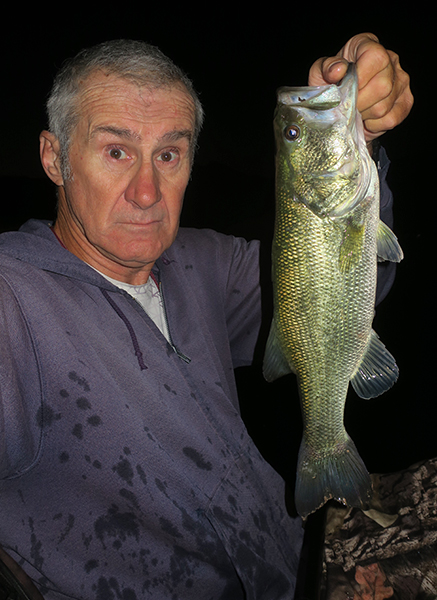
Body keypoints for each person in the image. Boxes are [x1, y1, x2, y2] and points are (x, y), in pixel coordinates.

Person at [0, 34, 412, 599]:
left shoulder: (204, 262)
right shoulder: (13, 300)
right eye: (117, 151)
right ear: (54, 158)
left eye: (168, 155)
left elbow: (358, 286)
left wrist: (359, 140)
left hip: (294, 563)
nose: (146, 192)